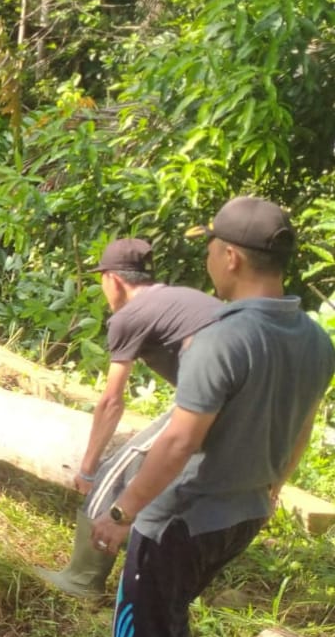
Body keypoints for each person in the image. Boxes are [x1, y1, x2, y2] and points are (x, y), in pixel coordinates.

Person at [76, 197, 334, 637]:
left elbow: (178, 441)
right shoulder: (315, 340)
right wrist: (271, 491)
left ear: (233, 258)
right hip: (244, 513)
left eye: (213, 247)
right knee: (169, 616)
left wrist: (123, 512)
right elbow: (301, 433)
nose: (210, 257)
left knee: (141, 628)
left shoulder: (222, 338)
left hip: (181, 516)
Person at [35, 238, 220, 598]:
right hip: (245, 403)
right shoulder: (178, 298)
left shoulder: (130, 315)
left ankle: (81, 579)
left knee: (115, 472)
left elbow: (111, 402)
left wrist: (88, 467)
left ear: (113, 280)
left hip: (213, 403)